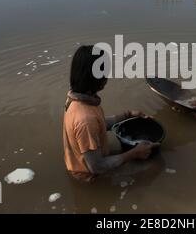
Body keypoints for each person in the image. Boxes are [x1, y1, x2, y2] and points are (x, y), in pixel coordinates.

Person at [63, 45, 160, 182]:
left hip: (83, 160)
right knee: (153, 169)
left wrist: (128, 114)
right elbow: (97, 167)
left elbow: (99, 124)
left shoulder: (76, 99)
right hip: (90, 175)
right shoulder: (85, 119)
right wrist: (133, 154)